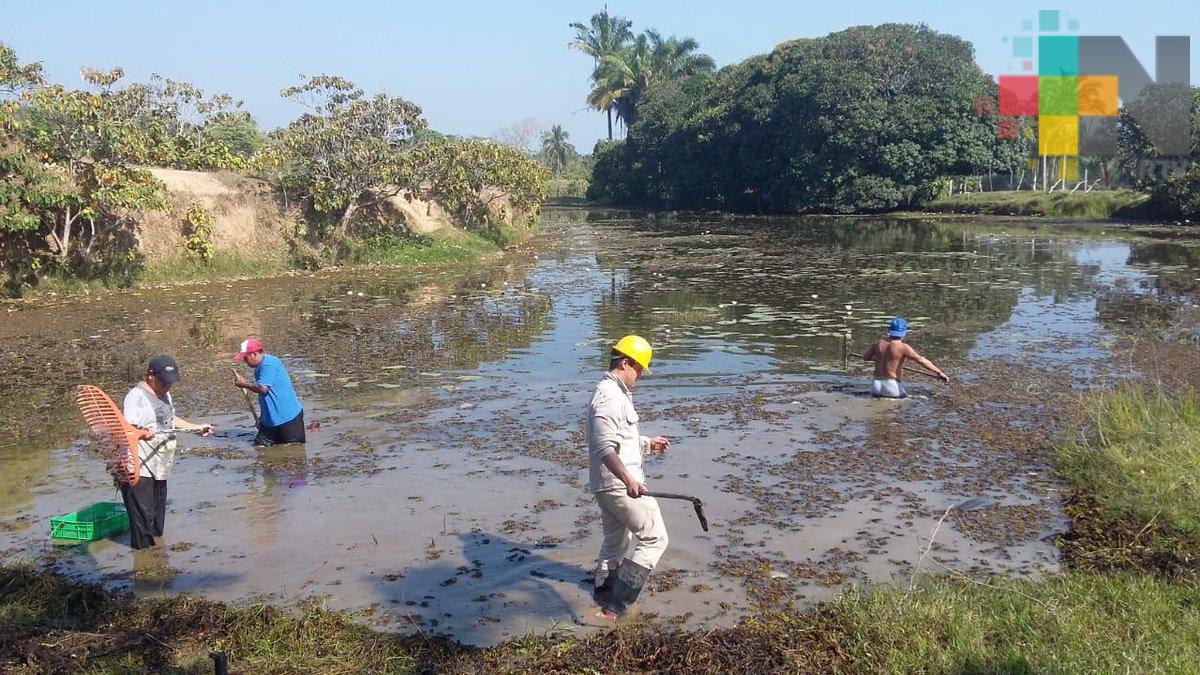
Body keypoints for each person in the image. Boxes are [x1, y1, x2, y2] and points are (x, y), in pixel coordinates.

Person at [586, 334, 672, 619]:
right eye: (639, 369)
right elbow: (603, 448)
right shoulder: (609, 397)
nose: (641, 376)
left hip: (608, 484)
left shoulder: (617, 394)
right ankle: (615, 609)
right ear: (625, 363)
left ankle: (602, 593)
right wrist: (628, 480)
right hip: (617, 483)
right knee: (655, 538)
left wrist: (647, 443)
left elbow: (619, 439)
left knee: (616, 542)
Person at [121, 355, 213, 550]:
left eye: (170, 382)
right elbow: (126, 430)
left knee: (156, 524)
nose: (168, 386)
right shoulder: (135, 398)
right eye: (164, 382)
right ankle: (144, 567)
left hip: (159, 467)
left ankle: (158, 560)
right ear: (150, 376)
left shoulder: (165, 394)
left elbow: (171, 421)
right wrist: (142, 434)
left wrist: (196, 427)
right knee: (142, 525)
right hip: (138, 469)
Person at [233, 338, 305, 446]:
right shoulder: (260, 366)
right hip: (270, 421)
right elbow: (267, 397)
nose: (244, 361)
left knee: (293, 453)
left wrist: (244, 384)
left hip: (288, 419)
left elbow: (263, 389)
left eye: (245, 358)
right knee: (259, 447)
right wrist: (262, 419)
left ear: (254, 354)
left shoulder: (268, 364)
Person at [862, 317, 949, 398]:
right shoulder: (903, 347)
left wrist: (881, 359)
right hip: (891, 385)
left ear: (890, 330)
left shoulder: (878, 344)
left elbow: (865, 358)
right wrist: (939, 372)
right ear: (904, 332)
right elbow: (921, 360)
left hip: (875, 384)